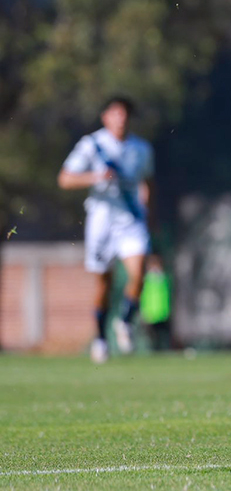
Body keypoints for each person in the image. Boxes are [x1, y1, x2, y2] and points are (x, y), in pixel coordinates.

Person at [58, 97, 155, 364]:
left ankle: (124, 321)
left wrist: (147, 211)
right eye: (115, 114)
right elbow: (65, 178)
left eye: (124, 114)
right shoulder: (93, 145)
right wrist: (95, 176)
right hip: (101, 221)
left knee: (139, 272)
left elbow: (147, 181)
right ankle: (100, 338)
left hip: (130, 220)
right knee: (104, 283)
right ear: (105, 117)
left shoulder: (141, 149)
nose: (120, 119)